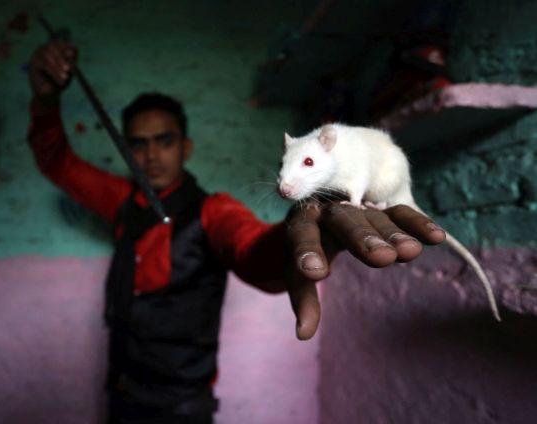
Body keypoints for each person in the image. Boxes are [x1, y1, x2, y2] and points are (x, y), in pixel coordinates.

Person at [27, 40, 446, 424]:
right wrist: (46, 101)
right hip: (120, 395)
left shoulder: (214, 210)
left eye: (164, 140)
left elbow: (252, 252)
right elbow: (57, 162)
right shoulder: (121, 199)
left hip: (183, 407)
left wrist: (300, 230)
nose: (151, 155)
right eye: (138, 144)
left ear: (185, 148)